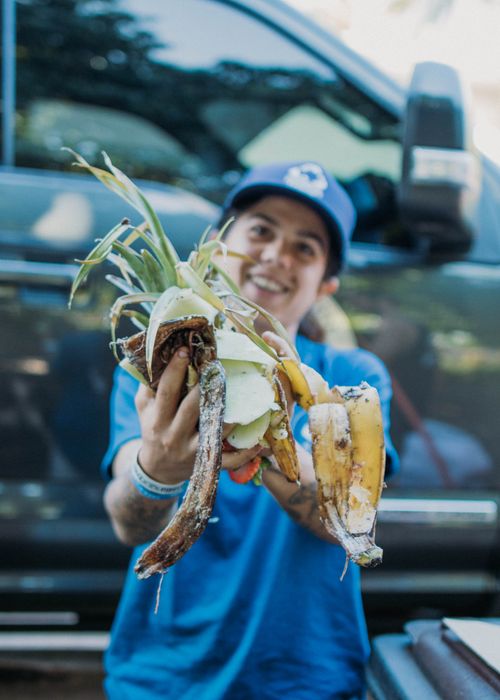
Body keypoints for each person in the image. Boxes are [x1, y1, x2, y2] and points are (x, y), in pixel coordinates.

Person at [101, 161, 399, 700]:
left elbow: (356, 519)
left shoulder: (355, 378)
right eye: (261, 230)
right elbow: (128, 521)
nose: (276, 256)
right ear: (216, 247)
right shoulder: (156, 370)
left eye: (305, 248)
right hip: (163, 679)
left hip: (306, 679)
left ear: (326, 282)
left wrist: (273, 437)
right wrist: (159, 470)